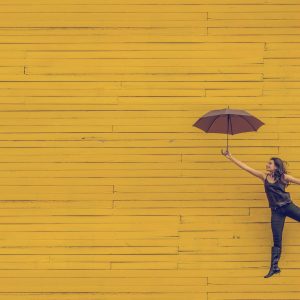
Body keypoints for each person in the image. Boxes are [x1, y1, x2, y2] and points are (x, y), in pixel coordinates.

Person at [221, 148, 300, 278]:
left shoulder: (284, 177)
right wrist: (231, 157)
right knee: (277, 239)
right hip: (276, 212)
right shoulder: (264, 176)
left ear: (276, 166)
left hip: (288, 206)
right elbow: (246, 168)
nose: (267, 165)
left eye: (270, 163)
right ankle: (274, 267)